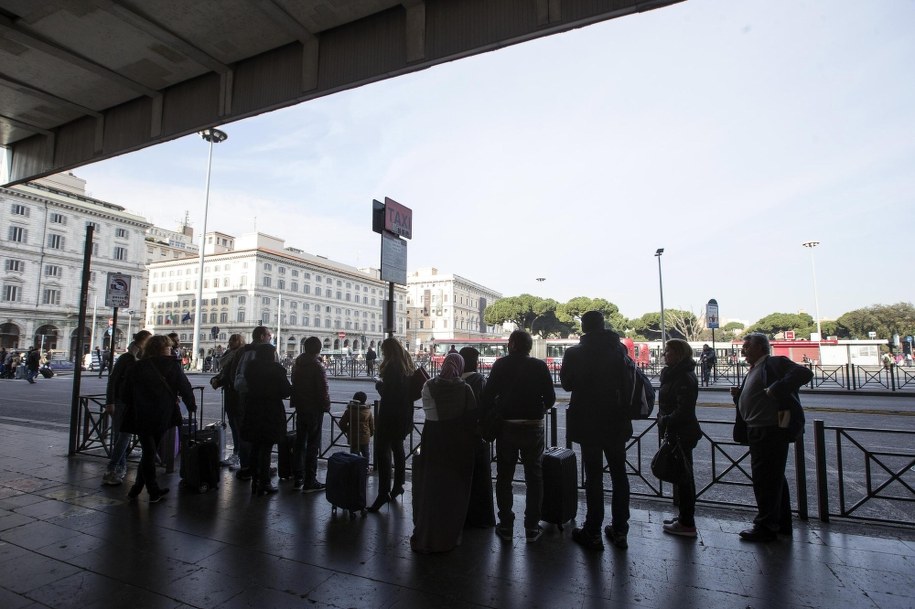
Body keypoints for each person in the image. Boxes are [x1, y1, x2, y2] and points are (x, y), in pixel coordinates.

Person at [731, 333, 813, 542]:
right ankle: (780, 522)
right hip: (759, 428)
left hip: (769, 430)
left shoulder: (774, 362)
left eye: (747, 346)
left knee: (764, 479)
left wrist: (777, 388)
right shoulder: (755, 368)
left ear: (760, 347)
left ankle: (765, 526)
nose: (743, 350)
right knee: (774, 478)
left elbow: (803, 373)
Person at [561, 310, 631, 551]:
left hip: (588, 421)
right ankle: (620, 529)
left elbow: (567, 384)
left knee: (593, 476)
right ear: (603, 325)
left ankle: (593, 530)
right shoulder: (619, 349)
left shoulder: (574, 353)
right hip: (616, 420)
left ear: (583, 327)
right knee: (619, 474)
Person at [483, 330, 556, 543]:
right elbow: (550, 398)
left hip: (507, 426)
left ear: (513, 344)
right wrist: (538, 409)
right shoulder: (539, 366)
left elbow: (487, 395)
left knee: (504, 475)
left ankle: (506, 524)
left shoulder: (501, 365)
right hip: (533, 426)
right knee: (534, 476)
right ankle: (532, 526)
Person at [411, 352, 479, 553]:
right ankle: (449, 533)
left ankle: (427, 532)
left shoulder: (428, 385)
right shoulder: (465, 388)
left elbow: (428, 410)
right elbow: (472, 416)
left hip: (432, 439)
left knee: (432, 486)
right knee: (453, 489)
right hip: (457, 441)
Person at [125, 334, 197, 503]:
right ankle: (152, 490)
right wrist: (191, 405)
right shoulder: (172, 366)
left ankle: (137, 488)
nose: (171, 349)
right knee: (150, 452)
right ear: (162, 348)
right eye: (169, 347)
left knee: (148, 451)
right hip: (161, 413)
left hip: (141, 413)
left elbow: (126, 392)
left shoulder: (138, 366)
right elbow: (184, 387)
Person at [657, 338, 702, 537]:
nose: (665, 354)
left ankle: (687, 523)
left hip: (681, 432)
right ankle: (684, 517)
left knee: (684, 478)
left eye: (669, 351)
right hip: (681, 431)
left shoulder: (682, 377)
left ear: (679, 354)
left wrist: (665, 420)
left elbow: (683, 410)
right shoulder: (679, 374)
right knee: (683, 476)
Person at [367, 338, 416, 513]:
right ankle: (398, 485)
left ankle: (383, 493)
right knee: (398, 448)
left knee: (382, 453)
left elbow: (388, 393)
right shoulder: (407, 365)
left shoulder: (391, 367)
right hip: (404, 414)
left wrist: (379, 384)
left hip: (390, 414)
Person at [242, 339, 292, 496]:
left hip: (252, 409)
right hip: (270, 410)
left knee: (256, 446)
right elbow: (286, 391)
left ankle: (255, 480)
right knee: (266, 448)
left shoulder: (251, 367)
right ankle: (264, 482)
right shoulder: (276, 369)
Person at [102, 330, 151, 486]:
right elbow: (113, 380)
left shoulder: (141, 358)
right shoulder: (126, 358)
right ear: (142, 341)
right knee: (123, 436)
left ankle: (119, 469)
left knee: (121, 437)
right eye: (148, 341)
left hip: (131, 402)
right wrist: (110, 402)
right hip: (121, 401)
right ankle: (112, 469)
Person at [233, 326, 275, 481]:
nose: (271, 337)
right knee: (263, 434)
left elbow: (236, 373)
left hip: (245, 396)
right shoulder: (268, 352)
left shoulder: (243, 351)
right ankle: (261, 468)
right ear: (262, 336)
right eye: (269, 335)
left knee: (247, 430)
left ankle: (247, 466)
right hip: (262, 398)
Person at [459, 346, 495, 528]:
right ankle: (480, 517)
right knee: (478, 477)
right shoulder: (479, 380)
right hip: (475, 434)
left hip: (456, 435)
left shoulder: (453, 379)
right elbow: (486, 405)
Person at [290, 336, 331, 492]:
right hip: (314, 408)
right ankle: (310, 481)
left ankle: (298, 477)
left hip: (300, 406)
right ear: (319, 349)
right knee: (313, 444)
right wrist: (326, 405)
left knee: (300, 442)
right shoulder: (316, 365)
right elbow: (323, 389)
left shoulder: (297, 363)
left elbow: (294, 383)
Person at [212, 334, 246, 469]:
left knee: (238, 425)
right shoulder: (229, 354)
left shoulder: (240, 354)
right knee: (234, 424)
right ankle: (238, 453)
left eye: (235, 339)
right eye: (231, 339)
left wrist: (219, 381)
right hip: (230, 394)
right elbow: (225, 373)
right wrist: (216, 379)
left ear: (241, 341)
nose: (231, 342)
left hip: (237, 395)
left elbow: (233, 375)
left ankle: (240, 455)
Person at [338, 391, 374, 462]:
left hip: (353, 437)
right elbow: (371, 425)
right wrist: (370, 433)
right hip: (365, 436)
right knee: (365, 453)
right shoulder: (368, 411)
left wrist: (347, 430)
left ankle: (355, 469)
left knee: (354, 454)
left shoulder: (349, 411)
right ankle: (365, 468)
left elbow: (342, 423)